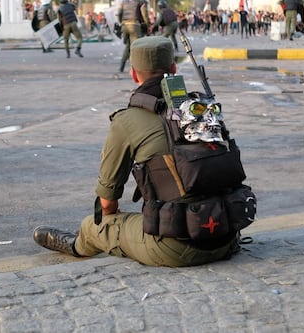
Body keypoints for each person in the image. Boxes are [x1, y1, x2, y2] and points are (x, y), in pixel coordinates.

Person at [32, 36, 242, 266]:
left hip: (176, 247)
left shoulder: (127, 120)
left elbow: (107, 202)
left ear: (134, 73)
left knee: (94, 225)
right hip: (227, 235)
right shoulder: (201, 107)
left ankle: (77, 245)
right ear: (173, 68)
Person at [116, 0, 150, 72]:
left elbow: (119, 13)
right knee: (136, 47)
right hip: (135, 26)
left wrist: (121, 22)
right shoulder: (141, 1)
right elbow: (145, 15)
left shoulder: (124, 1)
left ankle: (121, 66)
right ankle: (135, 69)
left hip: (125, 25)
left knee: (128, 46)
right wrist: (148, 25)